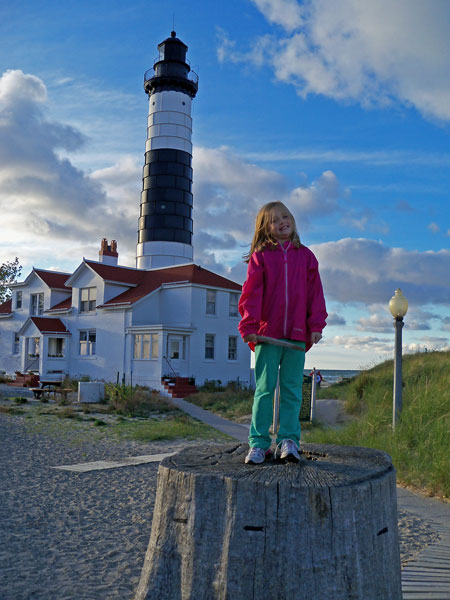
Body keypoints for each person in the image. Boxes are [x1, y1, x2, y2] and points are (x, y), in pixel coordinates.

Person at [238, 201, 327, 465]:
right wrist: (249, 326)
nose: (282, 221)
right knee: (264, 390)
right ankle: (259, 444)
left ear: (293, 220)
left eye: (285, 216)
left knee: (291, 390)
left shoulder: (306, 256)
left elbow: (315, 294)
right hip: (267, 335)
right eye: (275, 220)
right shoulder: (261, 257)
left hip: (297, 336)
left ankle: (289, 440)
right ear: (266, 227)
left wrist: (315, 326)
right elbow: (251, 294)